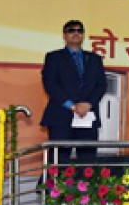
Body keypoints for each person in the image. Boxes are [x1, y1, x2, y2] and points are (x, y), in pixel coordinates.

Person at [40, 20, 107, 165]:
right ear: (64, 35)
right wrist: (72, 106)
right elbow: (50, 84)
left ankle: (86, 181)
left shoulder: (95, 59)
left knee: (88, 161)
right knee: (59, 161)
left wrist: (88, 104)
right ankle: (53, 181)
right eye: (71, 31)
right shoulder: (54, 57)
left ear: (83, 35)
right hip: (61, 115)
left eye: (79, 31)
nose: (76, 33)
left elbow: (101, 85)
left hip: (87, 115)